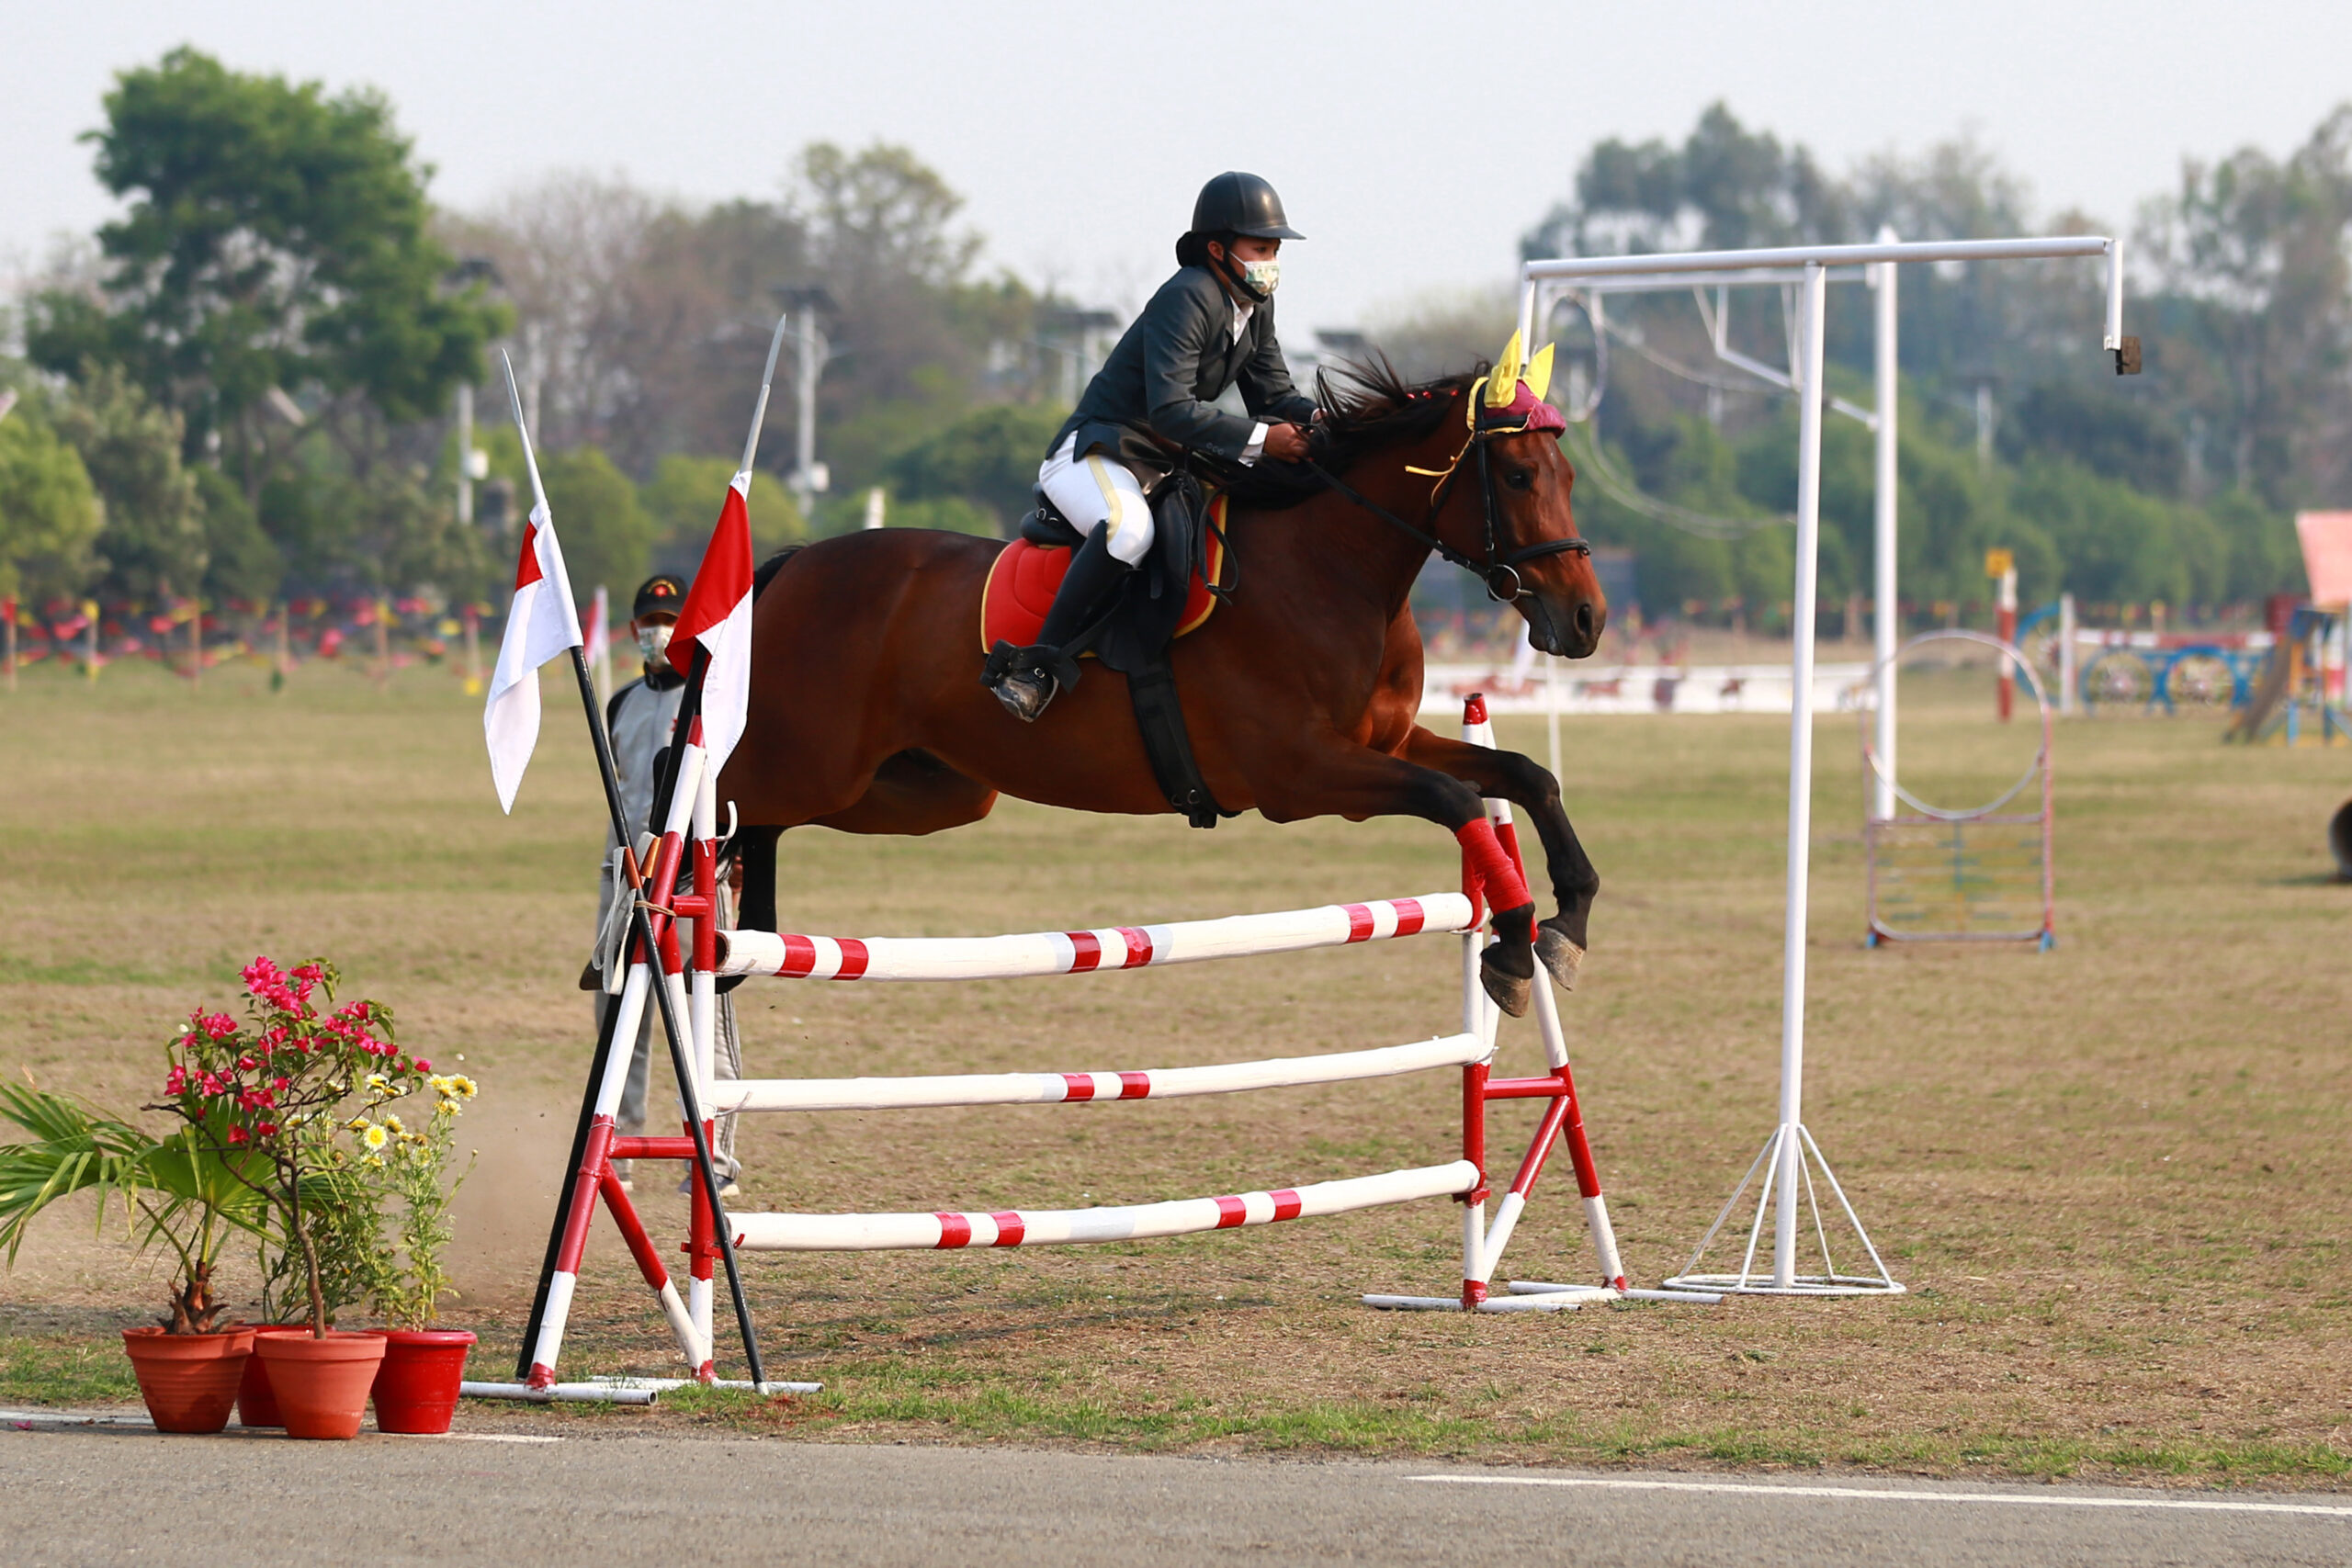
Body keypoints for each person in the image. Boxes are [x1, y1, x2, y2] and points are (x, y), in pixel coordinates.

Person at [984, 171, 1320, 722]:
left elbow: (1274, 393)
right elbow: (1169, 409)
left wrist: (1323, 419)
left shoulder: (1254, 307)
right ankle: (1033, 667)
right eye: (1261, 246)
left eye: (1276, 247)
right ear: (1218, 249)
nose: (1272, 258)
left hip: (1160, 461)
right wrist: (1264, 440)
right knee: (1128, 530)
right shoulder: (1188, 295)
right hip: (1096, 451)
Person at [588, 573, 742, 1195]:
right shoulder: (621, 701)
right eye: (650, 621)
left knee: (702, 1016)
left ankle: (712, 1161)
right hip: (626, 877)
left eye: (671, 621)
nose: (659, 632)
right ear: (633, 630)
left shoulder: (714, 699)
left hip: (697, 873)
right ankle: (617, 1151)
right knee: (619, 1012)